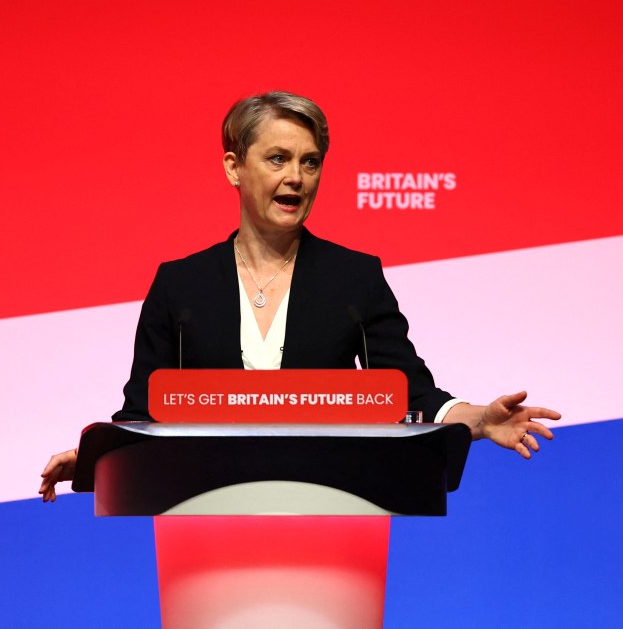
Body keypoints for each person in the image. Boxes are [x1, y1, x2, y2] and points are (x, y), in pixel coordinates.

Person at [39, 91, 561, 502]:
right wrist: (92, 460)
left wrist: (479, 420)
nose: (296, 177)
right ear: (233, 167)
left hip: (335, 508)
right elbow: (141, 414)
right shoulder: (180, 284)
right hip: (205, 516)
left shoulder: (354, 278)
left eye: (310, 163)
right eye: (278, 158)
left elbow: (411, 397)